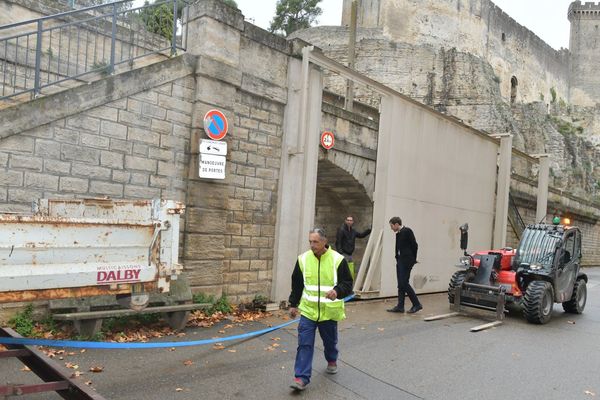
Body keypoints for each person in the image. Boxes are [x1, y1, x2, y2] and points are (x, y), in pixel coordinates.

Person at [288, 228, 354, 391]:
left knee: (330, 342)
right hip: (308, 312)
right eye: (310, 241)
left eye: (315, 242)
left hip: (328, 312)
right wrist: (293, 304)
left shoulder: (338, 260)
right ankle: (301, 378)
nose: (312, 245)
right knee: (304, 344)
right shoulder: (303, 259)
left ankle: (332, 359)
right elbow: (297, 284)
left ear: (324, 241)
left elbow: (347, 283)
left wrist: (337, 291)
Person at [387, 216, 422, 314]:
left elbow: (415, 245)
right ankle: (400, 306)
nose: (391, 228)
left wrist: (412, 259)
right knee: (400, 284)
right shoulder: (398, 233)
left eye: (391, 226)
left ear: (397, 224)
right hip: (400, 261)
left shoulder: (407, 231)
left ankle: (417, 304)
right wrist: (397, 258)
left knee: (404, 283)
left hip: (406, 261)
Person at [335, 215, 371, 280]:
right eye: (348, 220)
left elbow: (361, 235)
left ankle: (349, 286)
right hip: (344, 254)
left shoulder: (353, 231)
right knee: (343, 271)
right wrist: (340, 253)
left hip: (350, 254)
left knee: (350, 271)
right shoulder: (341, 230)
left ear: (352, 222)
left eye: (351, 220)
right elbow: (338, 242)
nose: (349, 222)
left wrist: (369, 230)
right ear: (345, 221)